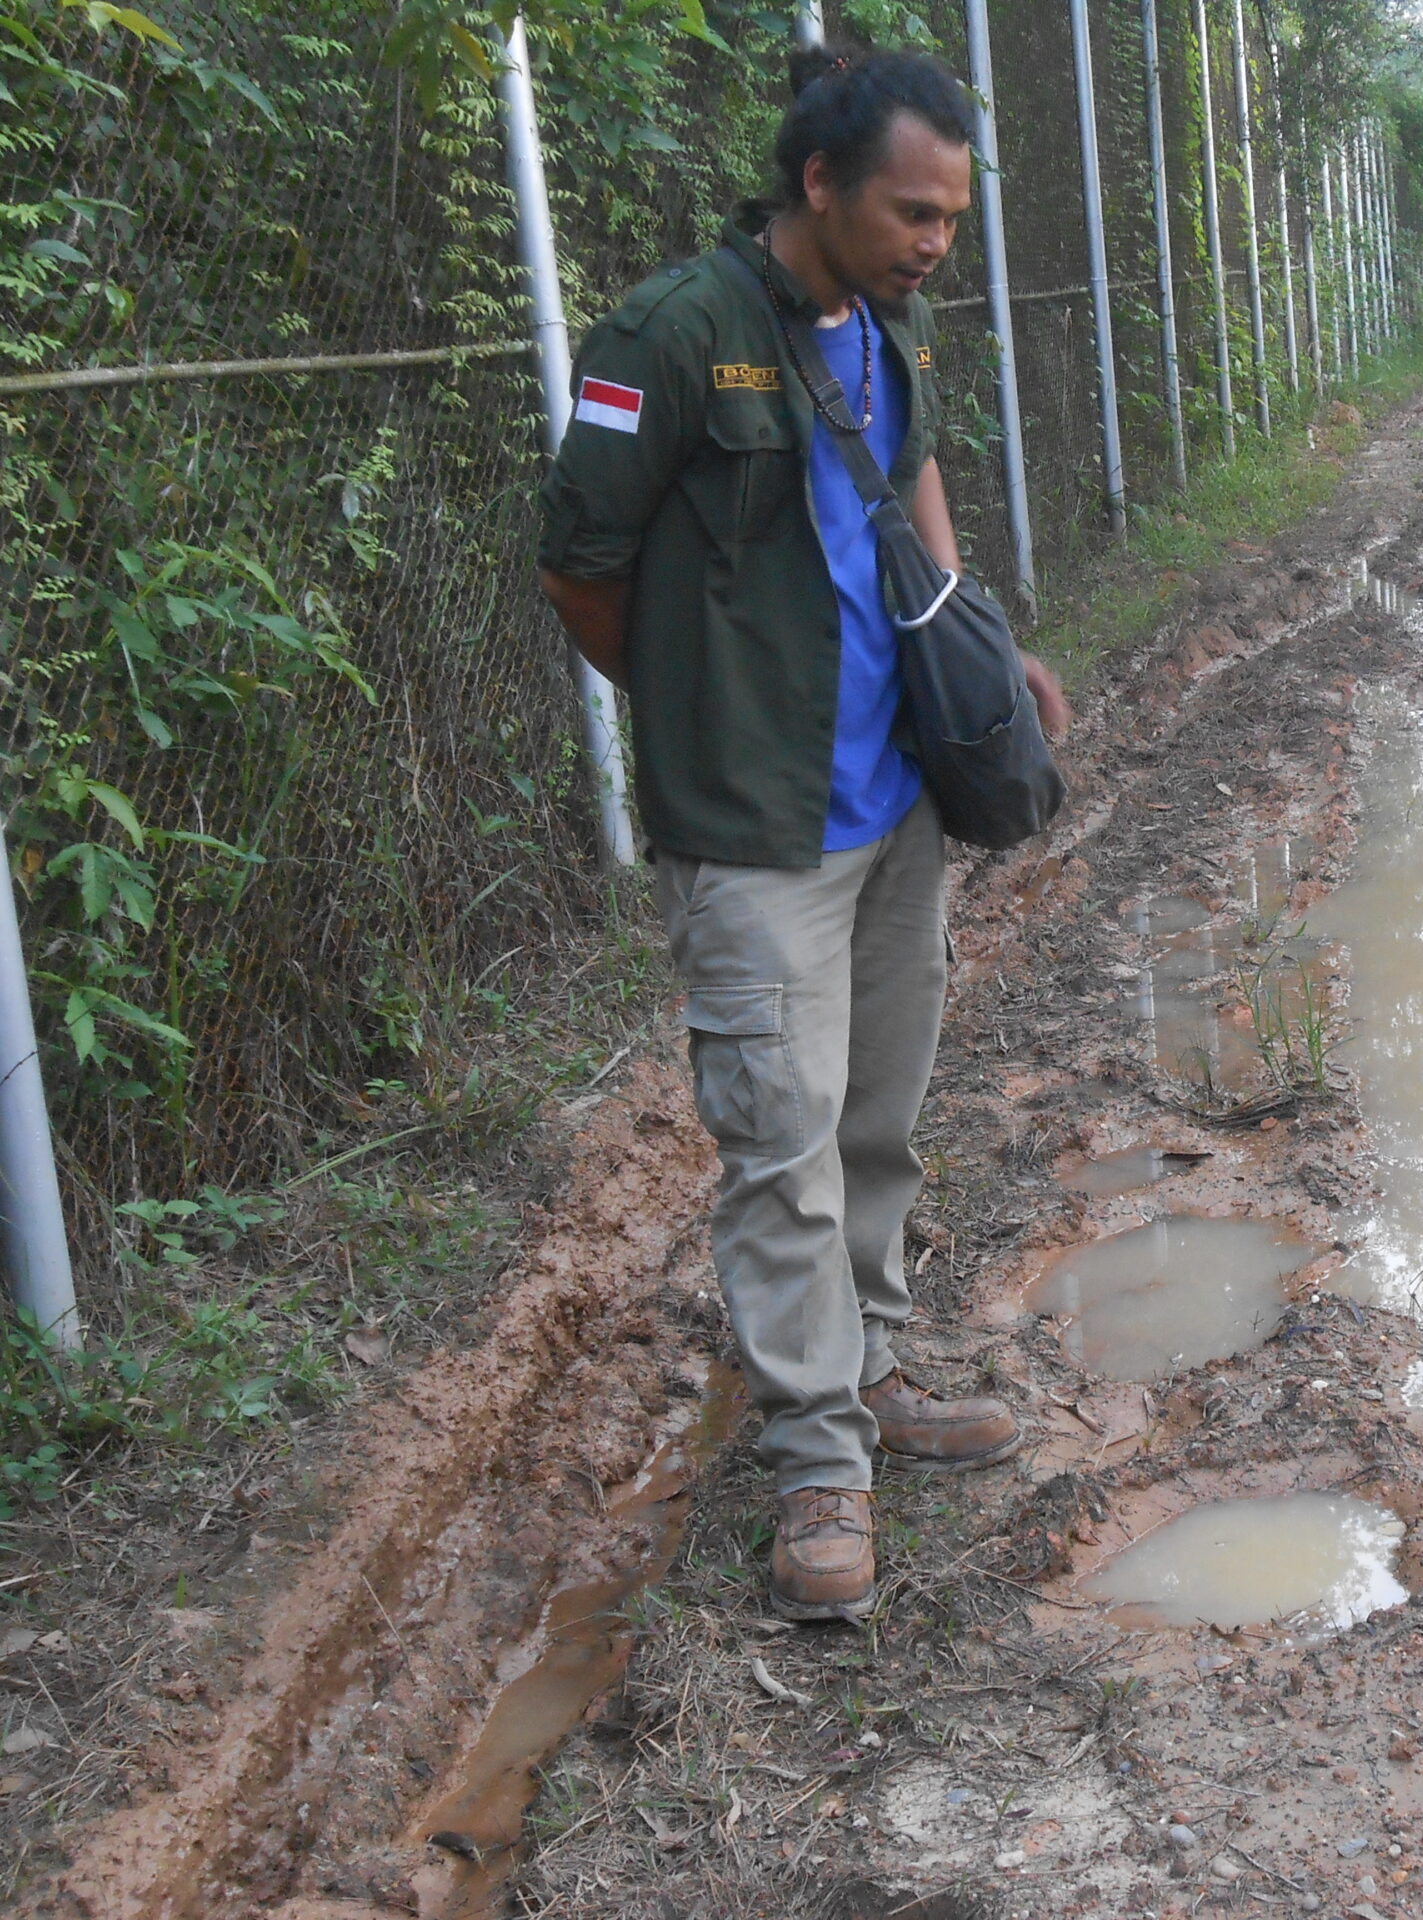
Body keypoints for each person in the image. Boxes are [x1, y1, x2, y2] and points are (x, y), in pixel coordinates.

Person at [535, 42, 1069, 1625]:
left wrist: (970, 627)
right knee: (780, 1154)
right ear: (818, 183)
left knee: (876, 1124)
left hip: (895, 805)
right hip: (757, 829)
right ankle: (817, 1457)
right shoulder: (673, 333)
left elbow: (908, 480)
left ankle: (876, 1372)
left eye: (953, 221)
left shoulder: (884, 327)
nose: (934, 244)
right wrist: (707, 707)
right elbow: (579, 560)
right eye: (912, 212)